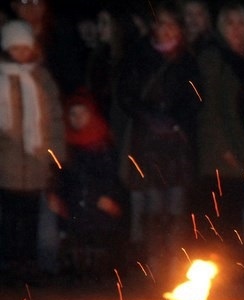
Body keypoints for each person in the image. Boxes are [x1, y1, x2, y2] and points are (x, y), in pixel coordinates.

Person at [116, 2, 201, 281]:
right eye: (160, 24)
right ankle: (152, 262)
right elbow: (126, 95)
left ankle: (176, 260)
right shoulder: (138, 56)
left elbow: (195, 98)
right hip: (149, 141)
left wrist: (175, 120)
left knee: (176, 205)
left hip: (176, 143)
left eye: (170, 24)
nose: (165, 30)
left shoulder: (187, 60)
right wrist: (150, 117)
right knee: (152, 205)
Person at [0, 19, 65, 284]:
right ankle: (8, 262)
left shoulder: (42, 78)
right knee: (8, 217)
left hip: (36, 162)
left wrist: (55, 155)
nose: (21, 53)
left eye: (25, 47)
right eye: (15, 48)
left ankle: (28, 264)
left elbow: (54, 119)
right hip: (6, 164)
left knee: (30, 218)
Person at [194, 2, 244, 259]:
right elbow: (210, 107)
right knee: (222, 213)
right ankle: (217, 269)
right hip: (223, 153)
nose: (236, 29)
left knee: (236, 211)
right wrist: (224, 148)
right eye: (230, 23)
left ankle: (230, 267)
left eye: (240, 22)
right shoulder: (215, 57)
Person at [50, 89, 127, 279]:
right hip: (75, 202)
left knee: (99, 239)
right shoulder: (66, 144)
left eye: (82, 113)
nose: (77, 118)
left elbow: (111, 176)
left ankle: (101, 273)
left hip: (100, 202)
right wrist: (56, 195)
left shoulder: (103, 143)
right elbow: (61, 176)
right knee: (77, 239)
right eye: (73, 114)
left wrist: (108, 198)